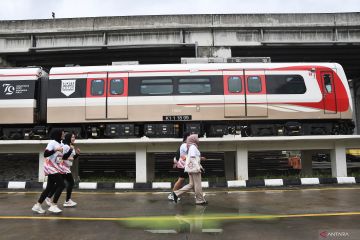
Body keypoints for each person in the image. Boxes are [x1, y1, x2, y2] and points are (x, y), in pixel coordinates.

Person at [32, 129, 66, 214]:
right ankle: (53, 206)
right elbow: (45, 154)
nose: (64, 134)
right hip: (50, 167)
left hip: (55, 167)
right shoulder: (52, 142)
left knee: (48, 188)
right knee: (61, 185)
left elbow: (60, 157)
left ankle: (37, 205)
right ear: (58, 134)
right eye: (62, 133)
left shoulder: (61, 144)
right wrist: (55, 150)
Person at [45, 132, 80, 207]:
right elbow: (63, 157)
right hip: (63, 168)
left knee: (59, 184)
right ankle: (66, 200)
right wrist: (70, 151)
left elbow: (71, 158)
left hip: (66, 167)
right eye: (72, 137)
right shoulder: (66, 146)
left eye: (74, 137)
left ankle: (49, 197)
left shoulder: (70, 146)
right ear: (68, 138)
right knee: (70, 182)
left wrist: (77, 154)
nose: (74, 138)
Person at [172, 134, 207, 205]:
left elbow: (189, 157)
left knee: (191, 184)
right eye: (197, 138)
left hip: (191, 168)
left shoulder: (191, 147)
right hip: (194, 168)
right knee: (197, 185)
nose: (198, 140)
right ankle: (200, 200)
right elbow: (192, 158)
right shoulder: (193, 147)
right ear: (193, 139)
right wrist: (199, 167)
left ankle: (176, 193)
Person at [168, 132, 190, 201]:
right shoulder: (184, 145)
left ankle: (198, 194)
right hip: (182, 165)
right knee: (181, 180)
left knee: (185, 180)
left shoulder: (185, 145)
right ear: (187, 138)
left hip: (184, 165)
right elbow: (189, 154)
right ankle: (172, 195)